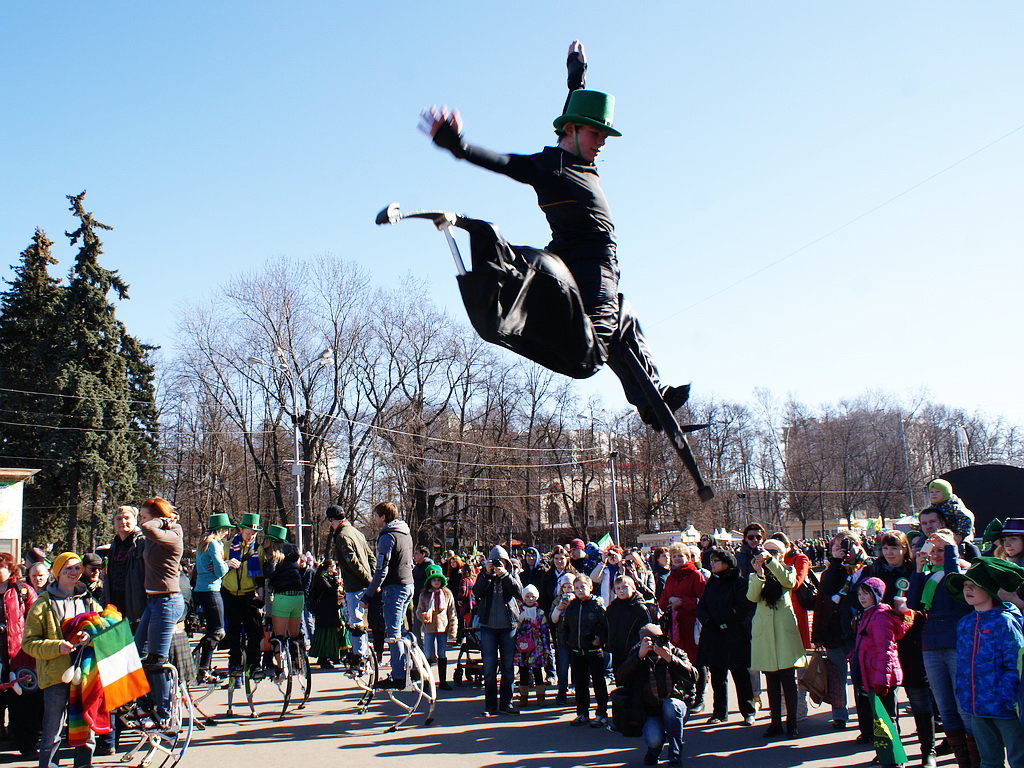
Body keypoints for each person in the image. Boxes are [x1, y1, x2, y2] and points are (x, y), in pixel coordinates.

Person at [422, 41, 690, 430]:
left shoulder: (581, 158)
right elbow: (505, 163)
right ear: (571, 129)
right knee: (598, 345)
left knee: (625, 320)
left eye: (604, 136)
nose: (602, 143)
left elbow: (577, 107)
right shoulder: (551, 167)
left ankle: (652, 400)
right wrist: (458, 147)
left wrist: (576, 76)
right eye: (596, 134)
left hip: (594, 267)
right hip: (586, 267)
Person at [861, 530, 936, 766]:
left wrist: (907, 614)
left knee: (918, 698)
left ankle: (928, 751)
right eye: (885, 548)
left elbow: (923, 607)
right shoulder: (873, 571)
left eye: (895, 548)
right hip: (882, 646)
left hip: (910, 642)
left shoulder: (916, 571)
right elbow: (861, 602)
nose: (889, 553)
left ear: (905, 549)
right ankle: (892, 750)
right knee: (885, 703)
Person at [22, 552, 102, 768]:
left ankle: (84, 765)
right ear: (57, 572)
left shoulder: (88, 599)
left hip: (85, 673)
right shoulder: (43, 604)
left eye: (77, 568)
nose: (73, 572)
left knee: (86, 726)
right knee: (53, 729)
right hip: (56, 675)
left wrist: (91, 633)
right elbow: (29, 643)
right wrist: (56, 647)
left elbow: (103, 626)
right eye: (67, 568)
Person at [947, 557, 1024, 768]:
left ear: (989, 590)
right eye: (965, 586)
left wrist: (1008, 698)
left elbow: (1014, 664)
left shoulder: (1005, 622)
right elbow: (962, 664)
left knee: (1018, 759)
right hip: (977, 706)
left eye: (973, 586)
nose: (967, 590)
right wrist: (963, 693)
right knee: (989, 761)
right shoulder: (965, 623)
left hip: (1005, 707)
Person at [908, 529, 973, 768]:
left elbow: (957, 589)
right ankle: (962, 760)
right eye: (932, 550)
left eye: (940, 550)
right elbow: (914, 604)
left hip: (956, 641)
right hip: (931, 644)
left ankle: (976, 759)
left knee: (962, 705)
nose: (935, 555)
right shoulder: (927, 576)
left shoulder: (963, 570)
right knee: (945, 708)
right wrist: (917, 570)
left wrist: (951, 551)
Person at [850, 577, 915, 768]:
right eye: (860, 594)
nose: (862, 598)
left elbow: (885, 651)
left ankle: (893, 759)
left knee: (887, 719)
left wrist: (882, 680)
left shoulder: (880, 617)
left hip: (882, 678)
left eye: (866, 593)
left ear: (876, 595)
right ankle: (886, 754)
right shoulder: (868, 614)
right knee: (880, 720)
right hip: (872, 675)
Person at [615, 623, 698, 767]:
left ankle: (675, 757)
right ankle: (654, 751)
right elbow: (620, 677)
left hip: (675, 706)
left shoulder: (674, 652)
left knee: (671, 706)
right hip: (650, 711)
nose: (655, 644)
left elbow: (693, 676)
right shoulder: (637, 654)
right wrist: (638, 657)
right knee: (654, 738)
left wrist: (670, 658)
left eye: (658, 639)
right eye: (649, 641)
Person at [813, 531, 872, 733]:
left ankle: (866, 716)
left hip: (859, 628)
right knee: (837, 674)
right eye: (837, 546)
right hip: (834, 628)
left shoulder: (867, 567)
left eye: (848, 544)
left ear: (859, 544)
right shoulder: (833, 568)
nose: (844, 549)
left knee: (861, 675)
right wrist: (837, 563)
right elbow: (826, 589)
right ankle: (839, 715)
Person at [747, 537, 806, 738]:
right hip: (764, 633)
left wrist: (771, 562)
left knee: (788, 680)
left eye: (773, 552)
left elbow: (789, 582)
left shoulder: (787, 570)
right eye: (766, 551)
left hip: (783, 632)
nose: (768, 555)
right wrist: (759, 573)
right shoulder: (756, 574)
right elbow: (752, 597)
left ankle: (792, 722)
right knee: (771, 680)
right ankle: (775, 722)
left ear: (781, 555)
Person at [134, 497, 184, 727]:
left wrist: (162, 521)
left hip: (168, 601)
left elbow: (147, 528)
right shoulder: (153, 536)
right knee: (137, 653)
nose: (141, 522)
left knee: (156, 661)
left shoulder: (173, 534)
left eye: (144, 516)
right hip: (152, 601)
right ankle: (146, 703)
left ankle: (165, 715)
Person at [696, 547, 756, 726]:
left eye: (716, 561)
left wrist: (724, 620)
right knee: (717, 675)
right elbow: (702, 606)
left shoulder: (739, 582)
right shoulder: (711, 582)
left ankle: (748, 711)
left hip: (734, 634)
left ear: (727, 563)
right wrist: (707, 620)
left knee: (740, 674)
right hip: (713, 634)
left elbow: (743, 608)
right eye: (711, 561)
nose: (712, 564)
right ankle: (720, 712)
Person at [362, 502, 414, 690]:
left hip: (394, 588)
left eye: (376, 515)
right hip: (408, 584)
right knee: (402, 629)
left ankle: (399, 676)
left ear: (384, 517)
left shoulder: (387, 536)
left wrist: (368, 594)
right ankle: (411, 666)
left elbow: (381, 570)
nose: (374, 519)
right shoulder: (405, 533)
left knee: (393, 633)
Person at [473, 545, 523, 716]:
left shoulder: (511, 573)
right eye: (494, 562)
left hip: (508, 626)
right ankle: (490, 705)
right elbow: (476, 592)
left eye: (501, 562)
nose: (497, 564)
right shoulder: (484, 574)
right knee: (489, 668)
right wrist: (487, 574)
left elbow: (518, 592)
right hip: (488, 627)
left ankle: (507, 703)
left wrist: (505, 575)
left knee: (508, 666)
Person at [0, 552, 41, 759]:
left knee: (22, 702)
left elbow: (36, 621)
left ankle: (26, 744)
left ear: (10, 570)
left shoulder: (23, 591)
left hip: (19, 655)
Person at [658, 543, 706, 711]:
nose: (677, 559)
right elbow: (663, 599)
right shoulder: (671, 577)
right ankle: (686, 693)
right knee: (679, 661)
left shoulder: (695, 575)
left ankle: (699, 696)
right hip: (675, 626)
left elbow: (703, 601)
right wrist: (667, 602)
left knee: (696, 661)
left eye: (681, 555)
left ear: (688, 557)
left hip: (692, 625)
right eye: (674, 556)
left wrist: (682, 602)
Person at [326, 505, 373, 666]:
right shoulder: (357, 532)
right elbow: (370, 556)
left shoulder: (342, 536)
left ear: (332, 520)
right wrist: (374, 579)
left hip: (355, 585)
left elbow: (353, 563)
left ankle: (359, 657)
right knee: (361, 621)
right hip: (366, 584)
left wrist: (368, 580)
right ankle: (365, 653)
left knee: (356, 622)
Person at [562, 573, 609, 727]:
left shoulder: (597, 606)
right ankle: (582, 713)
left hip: (594, 652)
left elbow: (605, 626)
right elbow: (566, 626)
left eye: (583, 587)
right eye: (577, 588)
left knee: (598, 683)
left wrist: (599, 640)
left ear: (590, 587)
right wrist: (568, 640)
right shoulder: (572, 607)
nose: (580, 590)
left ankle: (601, 713)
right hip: (577, 651)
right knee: (580, 684)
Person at [221, 512, 264, 678]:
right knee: (233, 631)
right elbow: (216, 568)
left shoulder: (258, 550)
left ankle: (254, 665)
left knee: (255, 631)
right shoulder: (228, 546)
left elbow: (260, 575)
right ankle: (235, 664)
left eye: (254, 533)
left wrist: (261, 595)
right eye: (248, 532)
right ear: (241, 529)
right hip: (230, 593)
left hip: (248, 594)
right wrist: (226, 564)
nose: (251, 536)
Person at [193, 512, 232, 684]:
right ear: (222, 529)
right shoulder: (215, 544)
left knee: (211, 630)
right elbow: (220, 571)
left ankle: (200, 663)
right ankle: (203, 667)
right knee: (218, 631)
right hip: (212, 590)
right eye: (226, 530)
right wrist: (228, 564)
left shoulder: (203, 543)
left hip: (200, 590)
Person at [260, 524, 304, 673]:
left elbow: (269, 573)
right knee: (294, 634)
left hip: (282, 596)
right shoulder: (293, 555)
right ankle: (298, 661)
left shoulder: (274, 555)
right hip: (298, 595)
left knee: (279, 635)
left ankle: (281, 666)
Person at [416, 563, 458, 691]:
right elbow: (418, 611)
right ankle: (428, 681)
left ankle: (443, 681)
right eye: (434, 580)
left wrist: (453, 630)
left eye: (438, 580)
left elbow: (452, 612)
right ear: (429, 581)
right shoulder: (424, 594)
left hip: (442, 627)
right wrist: (423, 616)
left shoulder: (447, 594)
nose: (436, 582)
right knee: (428, 654)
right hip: (429, 628)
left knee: (442, 653)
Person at [104, 505, 146, 626]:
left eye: (127, 518)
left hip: (136, 600)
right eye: (118, 519)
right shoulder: (114, 544)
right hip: (115, 601)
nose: (123, 522)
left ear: (135, 520)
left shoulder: (142, 542)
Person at [605, 574, 656, 672]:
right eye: (618, 588)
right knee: (620, 679)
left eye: (625, 587)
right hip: (617, 652)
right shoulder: (612, 609)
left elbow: (646, 630)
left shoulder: (640, 608)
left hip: (635, 653)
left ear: (633, 589)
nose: (621, 590)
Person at [513, 584, 552, 707]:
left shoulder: (540, 613)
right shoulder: (519, 612)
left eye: (533, 596)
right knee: (523, 672)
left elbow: (545, 631)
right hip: (522, 646)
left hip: (537, 647)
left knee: (537, 671)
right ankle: (523, 696)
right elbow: (515, 630)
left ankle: (540, 696)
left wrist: (546, 648)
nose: (530, 599)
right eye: (527, 596)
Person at [308, 559, 347, 669]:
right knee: (326, 634)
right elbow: (331, 590)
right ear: (329, 567)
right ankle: (324, 657)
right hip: (325, 611)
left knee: (332, 632)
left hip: (330, 610)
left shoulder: (325, 577)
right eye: (333, 567)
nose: (335, 570)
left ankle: (329, 656)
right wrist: (336, 580)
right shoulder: (322, 577)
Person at [549, 573, 577, 705]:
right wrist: (559, 608)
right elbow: (553, 619)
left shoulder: (579, 600)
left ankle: (577, 688)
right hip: (562, 638)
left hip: (576, 638)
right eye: (565, 587)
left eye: (570, 586)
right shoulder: (557, 600)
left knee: (577, 665)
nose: (568, 590)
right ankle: (562, 689)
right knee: (563, 665)